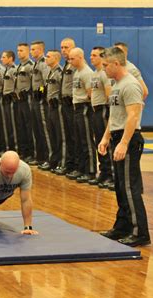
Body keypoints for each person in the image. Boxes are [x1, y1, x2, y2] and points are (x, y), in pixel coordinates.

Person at [98, 47, 150, 247]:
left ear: (116, 64)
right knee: (120, 186)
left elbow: (133, 116)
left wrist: (124, 143)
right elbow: (115, 116)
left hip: (129, 139)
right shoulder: (117, 85)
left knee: (130, 187)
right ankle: (122, 226)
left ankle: (140, 232)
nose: (104, 70)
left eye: (106, 66)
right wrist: (105, 138)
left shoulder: (130, 85)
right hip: (117, 136)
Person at [67, 47, 96, 183]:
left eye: (73, 59)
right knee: (78, 140)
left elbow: (91, 94)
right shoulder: (77, 72)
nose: (70, 61)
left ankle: (90, 171)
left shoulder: (87, 73)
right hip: (76, 108)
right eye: (70, 59)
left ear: (80, 57)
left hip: (84, 107)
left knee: (86, 141)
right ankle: (81, 168)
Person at [89, 46, 113, 188]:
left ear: (102, 57)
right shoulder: (95, 73)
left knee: (105, 143)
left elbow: (109, 94)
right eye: (91, 55)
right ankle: (103, 172)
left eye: (95, 55)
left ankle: (110, 175)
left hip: (103, 109)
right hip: (95, 110)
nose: (91, 57)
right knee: (98, 141)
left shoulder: (104, 74)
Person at [57, 37, 78, 176]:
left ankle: (76, 165)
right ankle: (69, 164)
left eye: (67, 47)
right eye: (62, 47)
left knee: (75, 137)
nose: (64, 50)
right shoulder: (66, 65)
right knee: (67, 136)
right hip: (63, 103)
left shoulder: (76, 66)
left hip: (73, 105)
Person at [30, 41, 52, 169]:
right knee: (36, 129)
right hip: (34, 98)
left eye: (34, 49)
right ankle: (39, 156)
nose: (32, 52)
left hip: (41, 100)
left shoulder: (44, 63)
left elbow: (45, 83)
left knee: (44, 130)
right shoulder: (36, 64)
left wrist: (41, 92)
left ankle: (48, 157)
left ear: (40, 50)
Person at [14, 43, 35, 164]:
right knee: (21, 126)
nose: (19, 52)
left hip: (27, 100)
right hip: (19, 100)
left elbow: (38, 85)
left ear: (27, 52)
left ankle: (31, 153)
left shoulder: (30, 66)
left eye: (21, 50)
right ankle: (23, 151)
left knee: (29, 127)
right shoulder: (19, 66)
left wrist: (30, 93)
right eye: (18, 50)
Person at [44, 50, 64, 172]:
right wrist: (40, 93)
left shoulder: (59, 72)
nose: (46, 58)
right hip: (49, 106)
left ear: (56, 58)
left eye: (48, 56)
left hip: (57, 107)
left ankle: (60, 161)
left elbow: (63, 88)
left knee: (59, 135)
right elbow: (44, 86)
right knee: (51, 134)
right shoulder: (49, 72)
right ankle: (53, 159)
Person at [1, 50, 17, 152]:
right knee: (7, 125)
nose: (2, 59)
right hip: (5, 100)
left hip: (11, 100)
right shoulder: (7, 70)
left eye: (4, 57)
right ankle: (8, 147)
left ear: (10, 58)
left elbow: (17, 84)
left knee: (13, 126)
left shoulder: (14, 70)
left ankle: (14, 149)